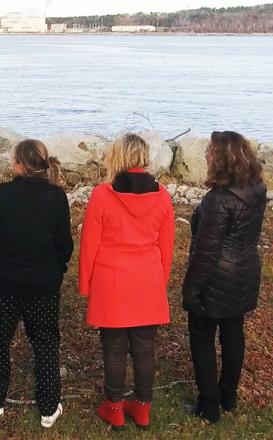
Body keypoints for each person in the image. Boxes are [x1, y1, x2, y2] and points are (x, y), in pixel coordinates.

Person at [79, 133, 174, 431]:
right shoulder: (162, 196)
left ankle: (114, 407)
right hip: (148, 279)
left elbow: (89, 246)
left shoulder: (102, 194)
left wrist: (85, 283)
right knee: (145, 348)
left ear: (117, 157)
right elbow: (166, 247)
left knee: (114, 348)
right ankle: (143, 407)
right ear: (144, 158)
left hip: (112, 280)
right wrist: (161, 281)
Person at [182, 131, 267, 424]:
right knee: (233, 331)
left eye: (209, 150)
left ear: (220, 159)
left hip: (217, 277)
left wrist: (190, 291)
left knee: (202, 336)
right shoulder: (257, 190)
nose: (205, 154)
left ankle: (209, 404)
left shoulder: (218, 200)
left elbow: (206, 252)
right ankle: (228, 394)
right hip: (245, 270)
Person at [0, 139, 73, 428]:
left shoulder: (3, 194)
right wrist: (58, 269)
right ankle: (48, 407)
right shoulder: (56, 197)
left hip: (5, 282)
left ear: (18, 164)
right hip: (43, 283)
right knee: (44, 343)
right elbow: (64, 244)